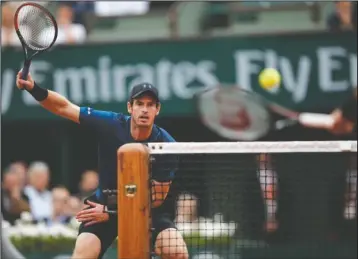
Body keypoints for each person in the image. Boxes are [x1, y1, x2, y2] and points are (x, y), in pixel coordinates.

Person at [16, 71, 189, 259]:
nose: (144, 110)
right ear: (130, 107)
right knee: (83, 254)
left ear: (158, 109)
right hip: (103, 206)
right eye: (139, 104)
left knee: (177, 253)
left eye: (150, 105)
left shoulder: (167, 145)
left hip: (149, 213)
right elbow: (64, 107)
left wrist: (112, 213)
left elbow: (156, 199)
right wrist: (34, 88)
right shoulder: (111, 124)